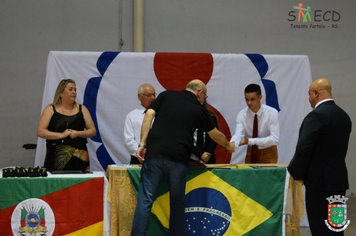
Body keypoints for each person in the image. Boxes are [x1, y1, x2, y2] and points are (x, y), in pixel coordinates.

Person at [130, 79, 235, 236]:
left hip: (155, 154)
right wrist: (228, 145)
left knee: (145, 201)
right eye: (205, 96)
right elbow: (216, 135)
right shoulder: (199, 110)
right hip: (178, 159)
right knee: (177, 204)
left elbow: (148, 115)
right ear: (200, 93)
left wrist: (142, 144)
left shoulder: (166, 95)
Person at [288, 78, 352, 235]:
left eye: (309, 94)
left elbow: (304, 148)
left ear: (316, 93)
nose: (309, 98)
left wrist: (297, 173)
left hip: (319, 185)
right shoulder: (344, 116)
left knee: (320, 229)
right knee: (336, 228)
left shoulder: (316, 116)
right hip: (338, 182)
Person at [37, 79, 96, 172]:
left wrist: (78, 133)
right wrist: (61, 135)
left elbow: (92, 130)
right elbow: (40, 131)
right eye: (70, 89)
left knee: (79, 184)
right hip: (56, 155)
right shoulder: (50, 109)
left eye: (75, 90)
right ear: (61, 93)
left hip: (79, 155)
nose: (74, 92)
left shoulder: (82, 109)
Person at [230, 84, 279, 163]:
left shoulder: (272, 113)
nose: (249, 102)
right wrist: (233, 144)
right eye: (247, 99)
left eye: (252, 99)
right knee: (249, 175)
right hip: (251, 152)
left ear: (260, 97)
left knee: (268, 175)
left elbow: (275, 139)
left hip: (269, 152)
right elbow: (238, 134)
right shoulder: (242, 114)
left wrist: (250, 141)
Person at [124, 83, 156, 164]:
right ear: (139, 96)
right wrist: (141, 151)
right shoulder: (132, 116)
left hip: (157, 158)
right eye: (149, 95)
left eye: (154, 95)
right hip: (138, 158)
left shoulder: (160, 114)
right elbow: (128, 140)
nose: (152, 98)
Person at [189, 99, 219, 164]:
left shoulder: (211, 117)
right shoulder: (185, 117)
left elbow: (215, 139)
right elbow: (184, 139)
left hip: (209, 159)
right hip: (190, 159)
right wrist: (200, 153)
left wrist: (206, 157)